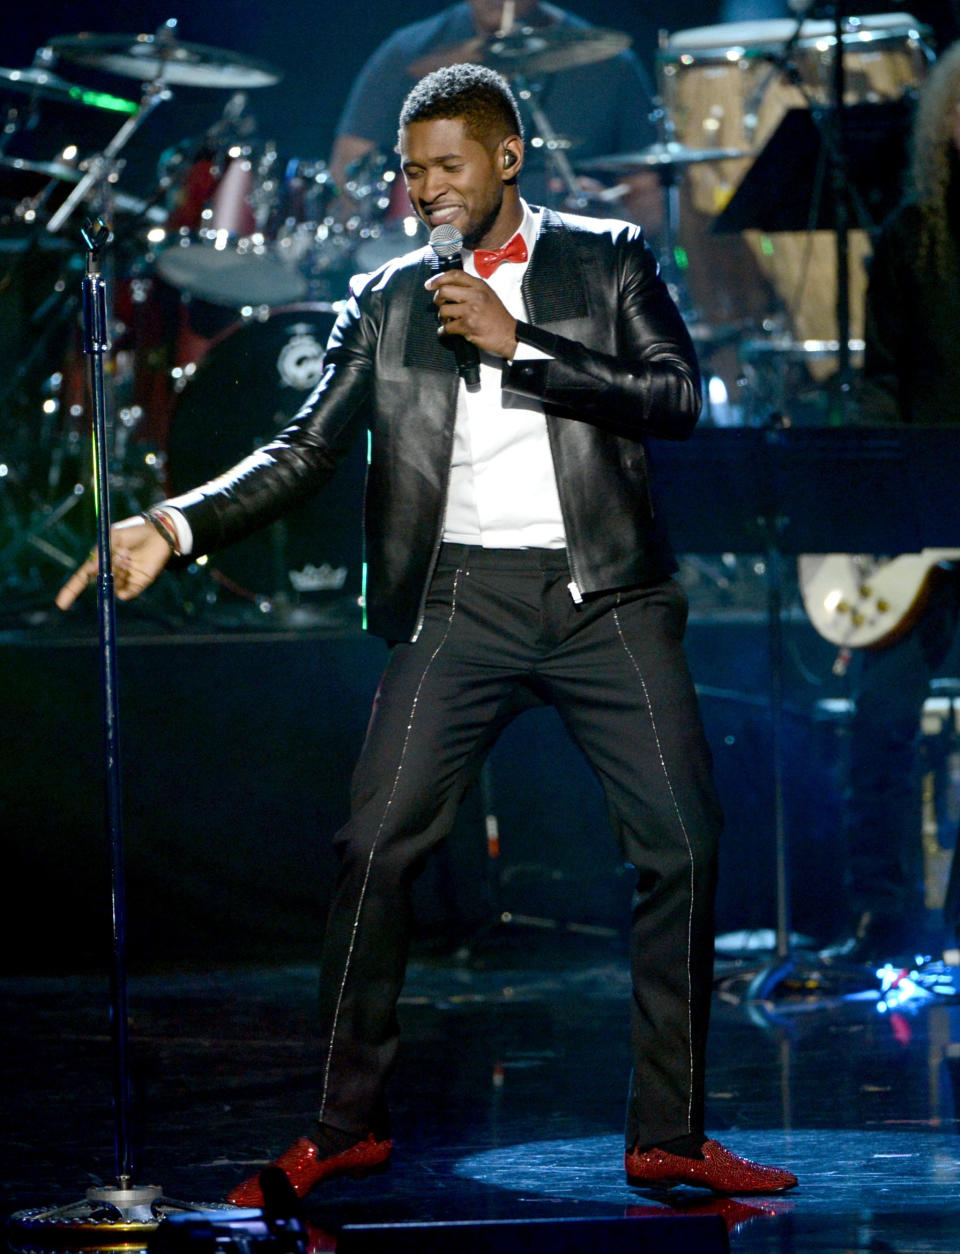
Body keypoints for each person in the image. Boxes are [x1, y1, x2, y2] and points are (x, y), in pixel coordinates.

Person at [57, 63, 796, 1200]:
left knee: (682, 847)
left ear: (508, 158)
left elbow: (678, 399)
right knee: (375, 846)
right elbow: (302, 450)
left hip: (608, 599)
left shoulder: (606, 258)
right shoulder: (392, 295)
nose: (427, 190)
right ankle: (347, 1120)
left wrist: (520, 345)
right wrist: (174, 522)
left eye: (448, 166)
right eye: (412, 171)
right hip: (460, 602)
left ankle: (671, 1134)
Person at [820, 41, 960, 964]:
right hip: (918, 530)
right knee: (879, 717)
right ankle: (883, 917)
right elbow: (880, 383)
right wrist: (880, 494)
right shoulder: (910, 239)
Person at [329, 0, 663, 225]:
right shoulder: (406, 53)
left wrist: (613, 214)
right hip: (438, 262)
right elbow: (348, 174)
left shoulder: (613, 66)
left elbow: (650, 205)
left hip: (569, 271)